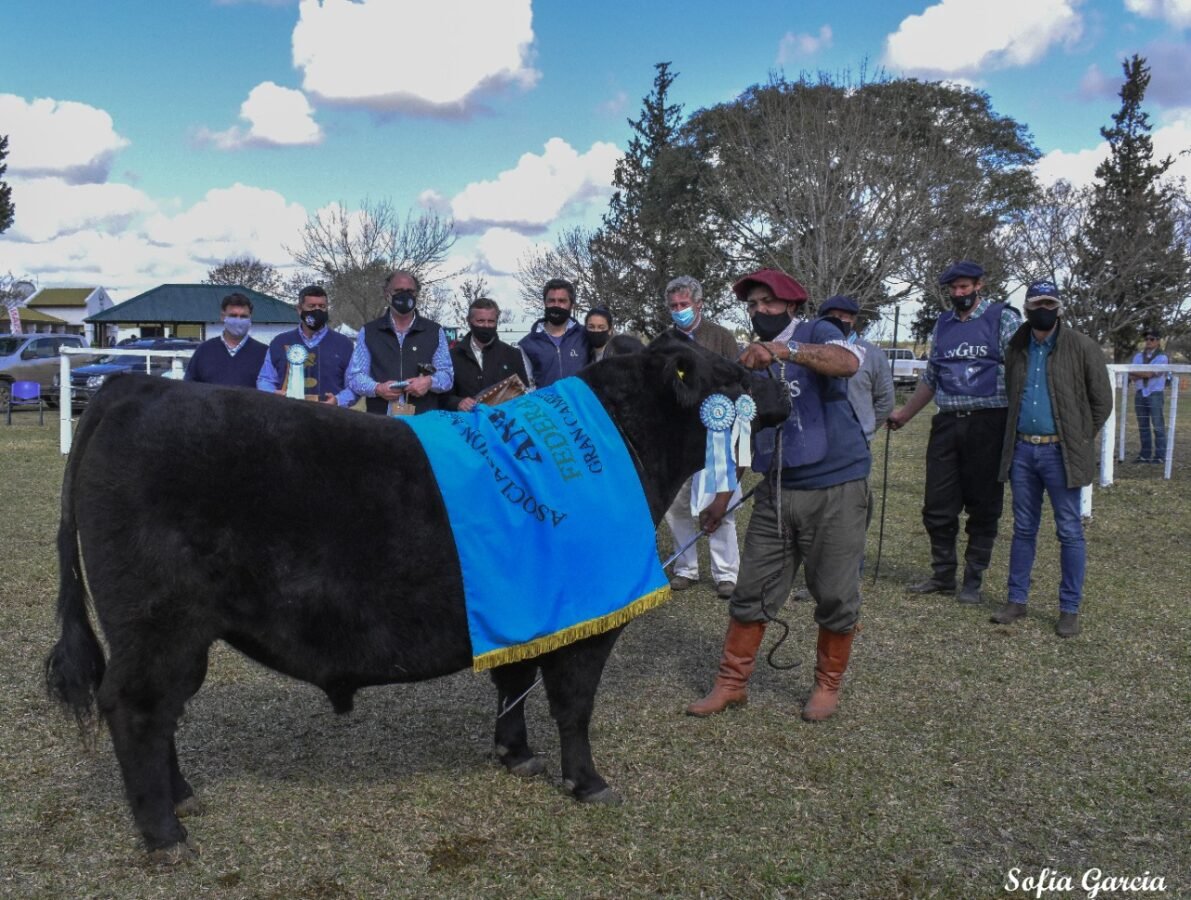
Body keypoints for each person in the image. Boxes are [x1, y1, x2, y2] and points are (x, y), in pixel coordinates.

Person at [687, 268, 869, 723]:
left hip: (836, 486)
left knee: (833, 593)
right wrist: (723, 495)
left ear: (790, 304)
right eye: (752, 305)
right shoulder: (750, 357)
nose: (759, 311)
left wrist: (785, 349)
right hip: (776, 489)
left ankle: (827, 685)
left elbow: (847, 362)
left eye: (768, 302)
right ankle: (732, 683)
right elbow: (743, 432)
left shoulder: (817, 331)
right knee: (750, 589)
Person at [887, 261, 1021, 604]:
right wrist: (904, 414)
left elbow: (1022, 369)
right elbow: (931, 378)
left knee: (983, 503)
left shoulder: (1003, 318)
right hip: (947, 422)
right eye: (954, 288)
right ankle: (943, 574)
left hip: (989, 420)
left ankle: (973, 580)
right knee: (937, 503)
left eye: (965, 287)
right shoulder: (943, 324)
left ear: (980, 284)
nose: (959, 294)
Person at [990, 280, 1112, 637]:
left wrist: (1077, 437)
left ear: (1059, 307)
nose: (1043, 309)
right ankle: (1016, 600)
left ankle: (1069, 609)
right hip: (1024, 450)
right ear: (1027, 308)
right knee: (1024, 528)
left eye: (1050, 302)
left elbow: (1101, 401)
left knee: (1070, 530)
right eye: (1037, 303)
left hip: (1061, 451)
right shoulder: (1016, 347)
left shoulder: (1082, 346)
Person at [660, 275, 743, 599]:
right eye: (673, 306)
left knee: (719, 504)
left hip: (716, 435)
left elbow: (738, 381)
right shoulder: (664, 342)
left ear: (699, 304)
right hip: (677, 437)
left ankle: (726, 573)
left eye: (684, 304)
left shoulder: (722, 338)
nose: (679, 310)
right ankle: (685, 567)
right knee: (675, 506)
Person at [346, 270, 454, 415]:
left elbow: (447, 376)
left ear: (417, 294)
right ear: (386, 294)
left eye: (410, 291)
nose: (405, 295)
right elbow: (355, 377)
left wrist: (429, 382)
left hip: (423, 421)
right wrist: (377, 388)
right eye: (398, 290)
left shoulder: (434, 331)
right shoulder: (369, 332)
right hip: (380, 421)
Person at [257, 285, 357, 406]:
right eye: (311, 306)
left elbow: (354, 386)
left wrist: (338, 400)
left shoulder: (344, 344)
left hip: (331, 418)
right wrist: (273, 394)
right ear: (299, 309)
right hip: (287, 416)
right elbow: (265, 379)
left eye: (322, 306)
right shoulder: (280, 342)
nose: (317, 310)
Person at [445, 297, 532, 412]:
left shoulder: (513, 355)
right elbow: (442, 397)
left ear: (497, 321)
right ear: (469, 321)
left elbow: (523, 394)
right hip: (466, 424)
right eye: (480, 321)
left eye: (491, 321)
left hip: (502, 423)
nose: (486, 326)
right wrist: (458, 403)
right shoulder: (453, 356)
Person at [184, 292, 268, 387]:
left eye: (243, 316)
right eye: (233, 316)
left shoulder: (264, 353)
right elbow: (189, 387)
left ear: (250, 318)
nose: (238, 320)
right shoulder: (204, 350)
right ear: (223, 317)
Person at [519, 278, 589, 387]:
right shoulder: (527, 344)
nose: (556, 305)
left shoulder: (586, 337)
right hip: (546, 403)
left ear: (572, 305)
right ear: (544, 303)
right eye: (551, 301)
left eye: (562, 301)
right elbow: (525, 386)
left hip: (579, 403)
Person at [1130, 329, 1168, 464]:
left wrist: (1140, 372)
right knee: (1143, 425)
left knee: (1158, 425)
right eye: (1147, 339)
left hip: (1155, 394)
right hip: (1140, 393)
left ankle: (1160, 455)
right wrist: (1143, 373)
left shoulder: (1162, 357)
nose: (1148, 341)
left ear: (1158, 341)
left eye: (1152, 339)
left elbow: (1150, 374)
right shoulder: (1138, 357)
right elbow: (1131, 375)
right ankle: (1144, 455)